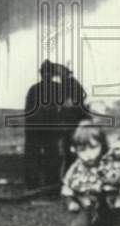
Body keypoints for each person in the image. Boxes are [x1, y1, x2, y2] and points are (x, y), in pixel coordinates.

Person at [23, 60, 89, 190]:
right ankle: (44, 184)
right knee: (44, 155)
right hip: (43, 128)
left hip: (43, 128)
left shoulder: (41, 89)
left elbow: (76, 97)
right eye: (45, 72)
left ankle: (42, 184)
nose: (47, 75)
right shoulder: (53, 88)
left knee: (46, 156)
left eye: (48, 72)